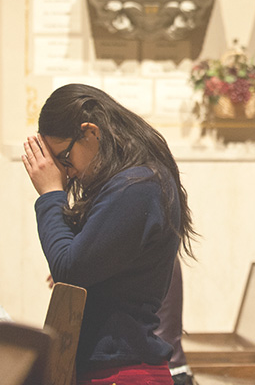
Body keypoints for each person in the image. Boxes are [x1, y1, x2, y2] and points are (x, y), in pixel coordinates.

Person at [21, 83, 196, 385]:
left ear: (90, 133)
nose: (68, 172)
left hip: (125, 372)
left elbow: (69, 270)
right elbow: (76, 265)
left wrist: (51, 193)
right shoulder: (132, 183)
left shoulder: (138, 186)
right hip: (112, 367)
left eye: (64, 158)